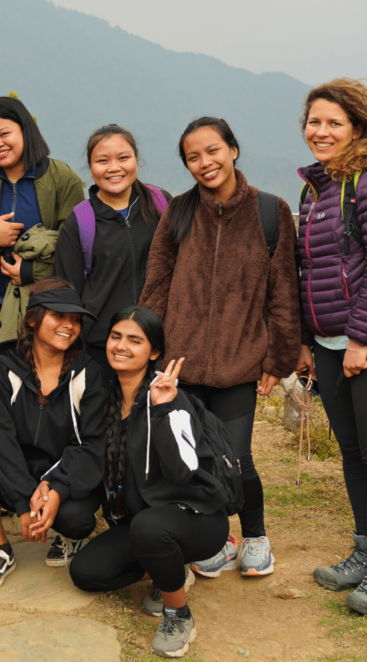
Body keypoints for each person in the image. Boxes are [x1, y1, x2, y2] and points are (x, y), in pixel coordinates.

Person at [139, 117, 300, 579]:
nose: (204, 162)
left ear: (233, 149)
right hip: (180, 363)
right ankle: (214, 538)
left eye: (213, 150)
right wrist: (153, 350)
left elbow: (283, 293)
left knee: (238, 458)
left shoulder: (270, 212)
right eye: (193, 156)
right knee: (191, 461)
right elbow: (156, 284)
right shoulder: (180, 211)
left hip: (238, 361)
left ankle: (255, 537)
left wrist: (279, 358)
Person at [295, 79, 367, 617]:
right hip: (327, 343)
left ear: (358, 128)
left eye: (333, 123)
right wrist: (306, 340)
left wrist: (360, 339)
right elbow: (310, 272)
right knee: (351, 452)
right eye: (314, 122)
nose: (321, 132)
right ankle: (364, 551)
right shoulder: (316, 188)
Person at [69, 306, 229, 659]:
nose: (121, 346)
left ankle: (178, 614)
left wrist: (162, 410)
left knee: (149, 528)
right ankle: (169, 570)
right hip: (144, 523)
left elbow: (185, 470)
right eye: (116, 337)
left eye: (134, 340)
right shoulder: (107, 399)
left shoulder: (172, 397)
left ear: (154, 352)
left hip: (196, 519)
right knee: (85, 573)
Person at [0, 278, 106, 592]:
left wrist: (55, 488)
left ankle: (66, 539)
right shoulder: (3, 369)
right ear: (33, 319)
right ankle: (0, 549)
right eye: (59, 316)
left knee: (77, 519)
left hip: (64, 472)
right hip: (18, 469)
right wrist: (25, 499)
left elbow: (92, 445)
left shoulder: (88, 374)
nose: (69, 326)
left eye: (75, 320)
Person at [0, 97, 85, 362]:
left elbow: (78, 248)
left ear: (25, 130)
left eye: (4, 133)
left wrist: (32, 271)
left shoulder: (61, 178)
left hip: (48, 308)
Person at [55, 124, 170, 367]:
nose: (114, 167)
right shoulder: (80, 221)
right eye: (102, 160)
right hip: (101, 348)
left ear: (136, 160)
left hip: (158, 341)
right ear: (91, 167)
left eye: (123, 158)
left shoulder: (160, 203)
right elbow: (67, 293)